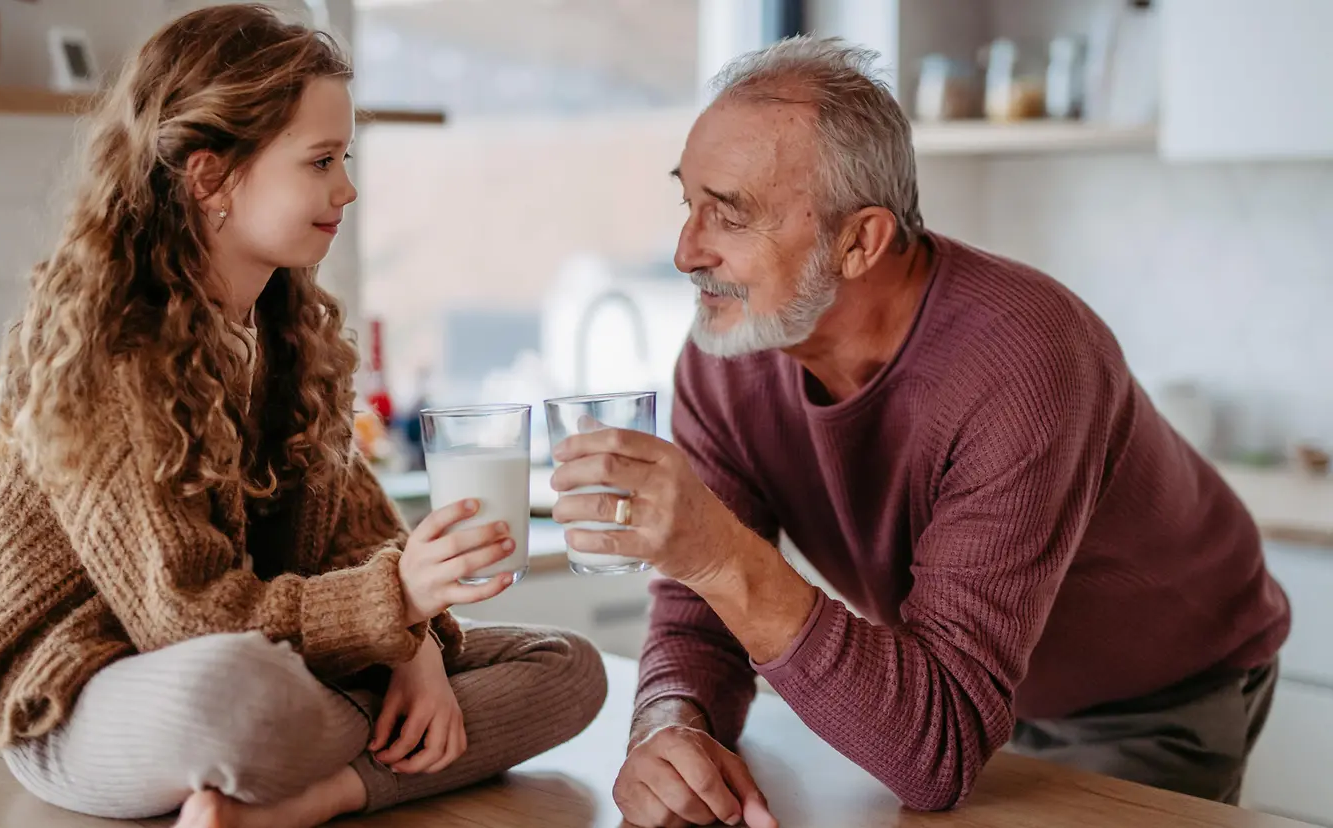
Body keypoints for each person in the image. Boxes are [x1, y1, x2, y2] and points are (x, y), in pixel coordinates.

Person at [549, 36, 1290, 827]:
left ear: (860, 241)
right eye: (688, 203)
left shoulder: (1025, 360)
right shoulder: (730, 356)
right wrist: (671, 723)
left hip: (1145, 696)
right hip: (959, 691)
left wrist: (713, 549)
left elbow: (937, 754)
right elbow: (703, 617)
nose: (685, 251)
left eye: (728, 216)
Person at [0, 7, 605, 828]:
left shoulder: (286, 329)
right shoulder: (113, 351)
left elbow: (363, 537)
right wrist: (395, 607)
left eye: (343, 157)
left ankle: (310, 798)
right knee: (243, 695)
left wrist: (414, 643)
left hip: (266, 665)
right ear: (209, 178)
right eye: (320, 161)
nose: (346, 187)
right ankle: (339, 760)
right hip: (94, 699)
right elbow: (186, 620)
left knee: (569, 666)